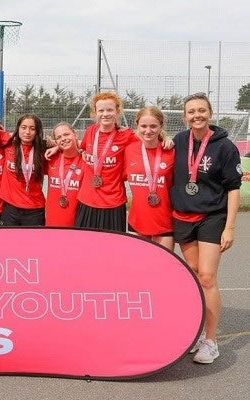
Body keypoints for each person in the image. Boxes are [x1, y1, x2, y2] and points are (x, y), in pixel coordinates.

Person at [170, 93, 242, 364]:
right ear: (184, 116)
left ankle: (211, 341)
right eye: (191, 111)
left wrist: (230, 227)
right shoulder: (178, 141)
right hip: (183, 216)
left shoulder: (225, 147)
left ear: (210, 113)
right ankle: (199, 334)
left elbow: (234, 188)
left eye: (201, 110)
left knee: (208, 277)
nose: (196, 115)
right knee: (196, 274)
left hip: (212, 217)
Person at [73, 92, 173, 232]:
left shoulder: (127, 135)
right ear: (95, 113)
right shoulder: (91, 131)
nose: (105, 114)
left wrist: (165, 139)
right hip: (86, 200)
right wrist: (55, 146)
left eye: (110, 110)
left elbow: (150, 139)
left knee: (112, 250)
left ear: (117, 112)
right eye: (101, 110)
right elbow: (80, 148)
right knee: (84, 247)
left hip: (112, 202)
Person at [124, 107, 175, 249]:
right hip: (137, 221)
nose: (148, 130)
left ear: (161, 126)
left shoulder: (170, 151)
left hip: (164, 221)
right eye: (144, 126)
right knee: (138, 268)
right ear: (137, 125)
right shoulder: (129, 150)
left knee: (163, 268)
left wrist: (167, 138)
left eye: (153, 126)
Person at [0, 114, 47, 226]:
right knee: (9, 242)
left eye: (32, 128)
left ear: (38, 131)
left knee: (32, 243)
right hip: (11, 208)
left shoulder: (44, 149)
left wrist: (56, 146)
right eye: (23, 127)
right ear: (18, 129)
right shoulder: (8, 142)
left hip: (35, 209)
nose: (27, 132)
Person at [45, 123, 84, 227]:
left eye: (66, 134)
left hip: (78, 223)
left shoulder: (85, 159)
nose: (63, 139)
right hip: (52, 222)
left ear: (75, 134)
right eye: (59, 137)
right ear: (56, 142)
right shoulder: (50, 158)